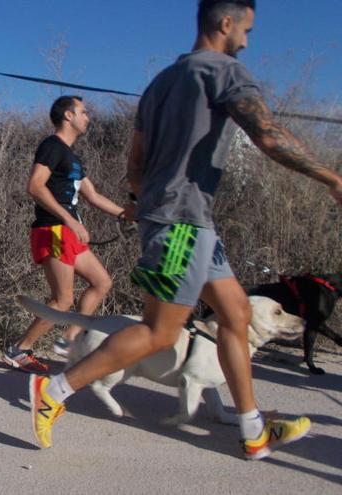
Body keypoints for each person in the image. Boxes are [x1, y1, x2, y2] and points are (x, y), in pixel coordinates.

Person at [29, 0, 342, 460]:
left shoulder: (160, 85)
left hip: (188, 221)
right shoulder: (225, 72)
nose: (247, 42)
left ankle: (253, 431)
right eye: (247, 31)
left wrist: (151, 201)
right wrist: (333, 179)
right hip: (182, 224)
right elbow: (269, 136)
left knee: (235, 316)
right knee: (158, 331)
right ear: (226, 23)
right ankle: (54, 388)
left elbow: (135, 164)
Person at [3, 96, 130, 373]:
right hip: (55, 230)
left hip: (68, 231)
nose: (88, 118)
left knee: (102, 282)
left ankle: (69, 339)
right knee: (62, 300)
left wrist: (126, 214)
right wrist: (70, 220)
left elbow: (93, 196)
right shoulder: (52, 147)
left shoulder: (72, 157)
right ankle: (19, 350)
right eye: (84, 112)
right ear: (68, 116)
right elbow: (35, 186)